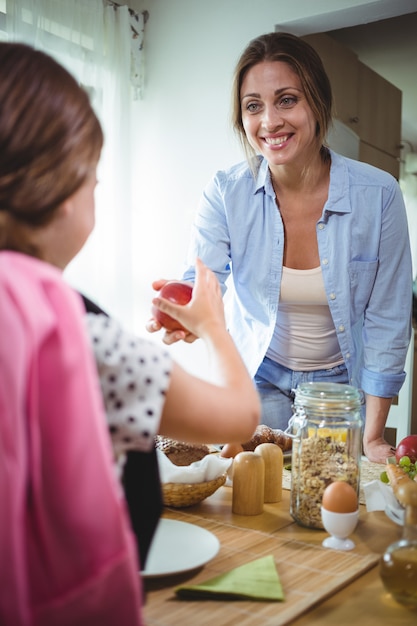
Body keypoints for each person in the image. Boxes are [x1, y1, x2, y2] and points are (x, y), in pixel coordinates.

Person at [0, 43, 260, 626]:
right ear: (63, 193)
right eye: (93, 180)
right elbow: (240, 416)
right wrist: (216, 329)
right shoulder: (87, 343)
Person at [147, 32, 413, 465]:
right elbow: (202, 282)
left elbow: (388, 318)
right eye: (253, 105)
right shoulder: (225, 192)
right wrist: (183, 312)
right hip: (259, 378)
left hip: (338, 389)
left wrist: (372, 436)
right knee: (256, 499)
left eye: (287, 100)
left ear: (318, 103)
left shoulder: (378, 195)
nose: (269, 121)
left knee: (324, 504)